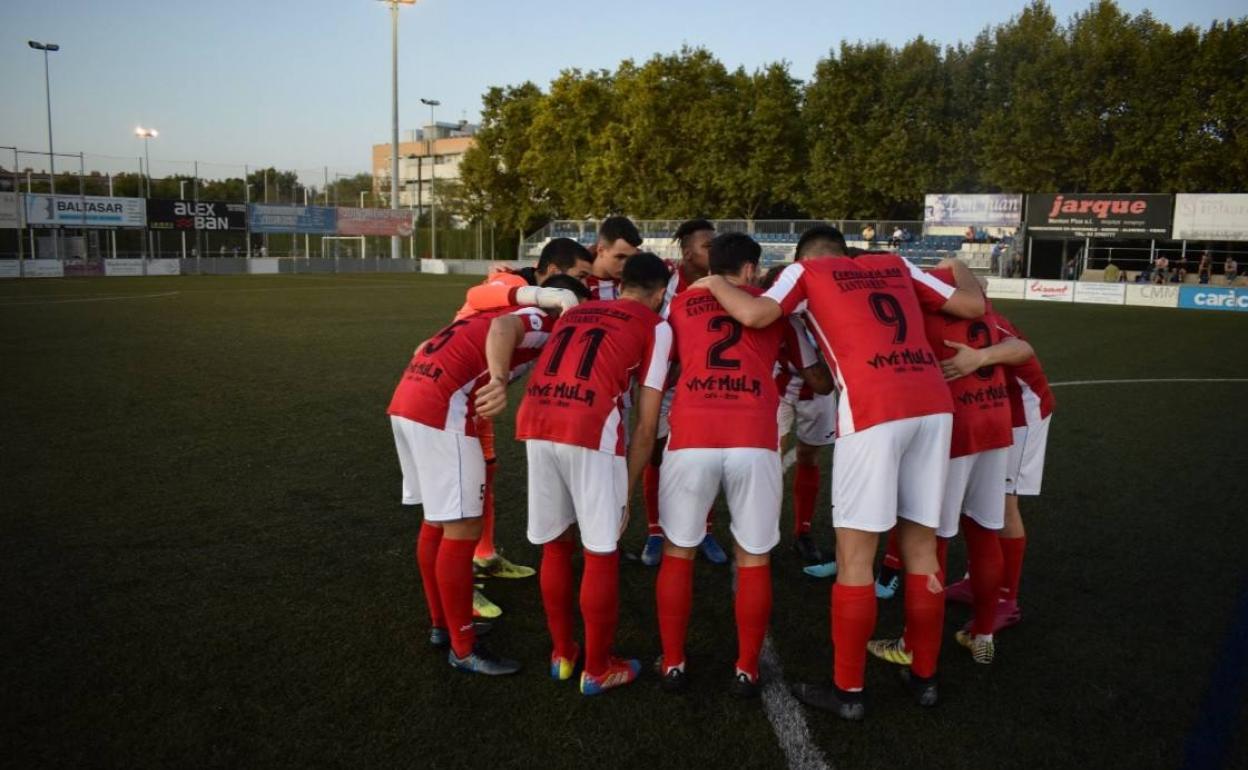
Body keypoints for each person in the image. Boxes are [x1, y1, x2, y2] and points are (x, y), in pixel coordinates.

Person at [692, 225, 985, 719]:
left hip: (874, 409)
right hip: (933, 405)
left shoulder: (807, 272)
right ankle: (924, 677)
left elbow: (755, 311)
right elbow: (973, 307)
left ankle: (848, 692)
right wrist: (965, 268)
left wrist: (712, 283)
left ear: (808, 256)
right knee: (920, 547)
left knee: (854, 556)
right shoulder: (895, 265)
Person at [478, 252, 672, 696]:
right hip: (589, 426)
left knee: (555, 546)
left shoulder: (576, 309)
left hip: (538, 419)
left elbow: (503, 323)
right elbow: (646, 424)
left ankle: (563, 654)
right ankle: (599, 667)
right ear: (660, 294)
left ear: (622, 284)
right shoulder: (657, 325)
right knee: (601, 549)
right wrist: (626, 488)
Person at [655, 234, 832, 697]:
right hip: (754, 436)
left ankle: (673, 662)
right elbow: (820, 381)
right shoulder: (779, 311)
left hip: (692, 433)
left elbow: (665, 370)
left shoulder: (679, 308)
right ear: (751, 270)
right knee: (753, 556)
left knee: (679, 550)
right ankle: (747, 669)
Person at [387, 273, 588, 676]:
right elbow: (503, 327)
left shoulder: (496, 305)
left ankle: (443, 625)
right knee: (463, 529)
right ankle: (463, 647)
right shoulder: (541, 318)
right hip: (442, 410)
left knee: (436, 521)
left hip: (408, 399)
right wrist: (496, 379)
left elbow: (425, 345)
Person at [868, 276, 1032, 669]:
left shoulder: (923, 312)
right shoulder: (984, 311)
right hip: (995, 423)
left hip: (955, 431)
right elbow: (1022, 347)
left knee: (930, 541)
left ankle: (915, 645)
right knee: (985, 532)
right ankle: (984, 633)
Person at [449, 238, 596, 600]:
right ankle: (458, 586)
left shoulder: (548, 297)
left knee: (486, 474)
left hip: (477, 398)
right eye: (580, 276)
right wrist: (540, 296)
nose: (585, 285)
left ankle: (484, 556)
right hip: (455, 393)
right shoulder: (513, 283)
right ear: (552, 273)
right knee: (457, 498)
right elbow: (481, 296)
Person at [945, 309, 1054, 632]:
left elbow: (1022, 349)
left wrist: (980, 358)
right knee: (976, 498)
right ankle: (974, 580)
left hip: (1022, 412)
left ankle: (1007, 600)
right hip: (989, 408)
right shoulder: (948, 311)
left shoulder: (980, 315)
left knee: (1005, 504)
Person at [641, 218, 729, 567]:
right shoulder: (664, 278)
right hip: (663, 384)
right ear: (687, 251)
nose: (715, 251)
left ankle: (703, 528)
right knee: (657, 456)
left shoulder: (725, 282)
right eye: (708, 246)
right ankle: (655, 531)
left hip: (704, 387)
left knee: (705, 460)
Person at [584, 216, 643, 301]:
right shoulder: (578, 284)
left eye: (631, 258)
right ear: (601, 250)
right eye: (620, 257)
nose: (626, 265)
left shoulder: (638, 280)